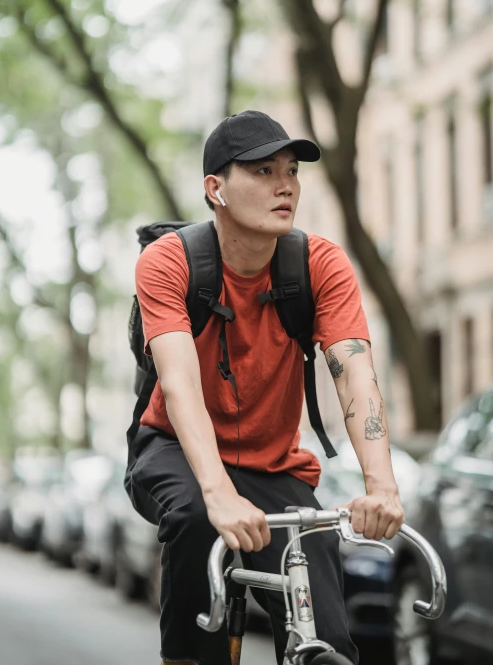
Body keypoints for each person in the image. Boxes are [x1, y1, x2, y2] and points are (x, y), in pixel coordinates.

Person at [127, 110, 405, 665]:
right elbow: (180, 386)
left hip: (272, 466)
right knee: (193, 519)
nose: (285, 185)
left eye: (292, 170)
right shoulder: (169, 261)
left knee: (322, 597)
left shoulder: (319, 264)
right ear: (216, 189)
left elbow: (354, 372)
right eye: (261, 171)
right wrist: (218, 495)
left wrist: (381, 486)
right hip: (174, 450)